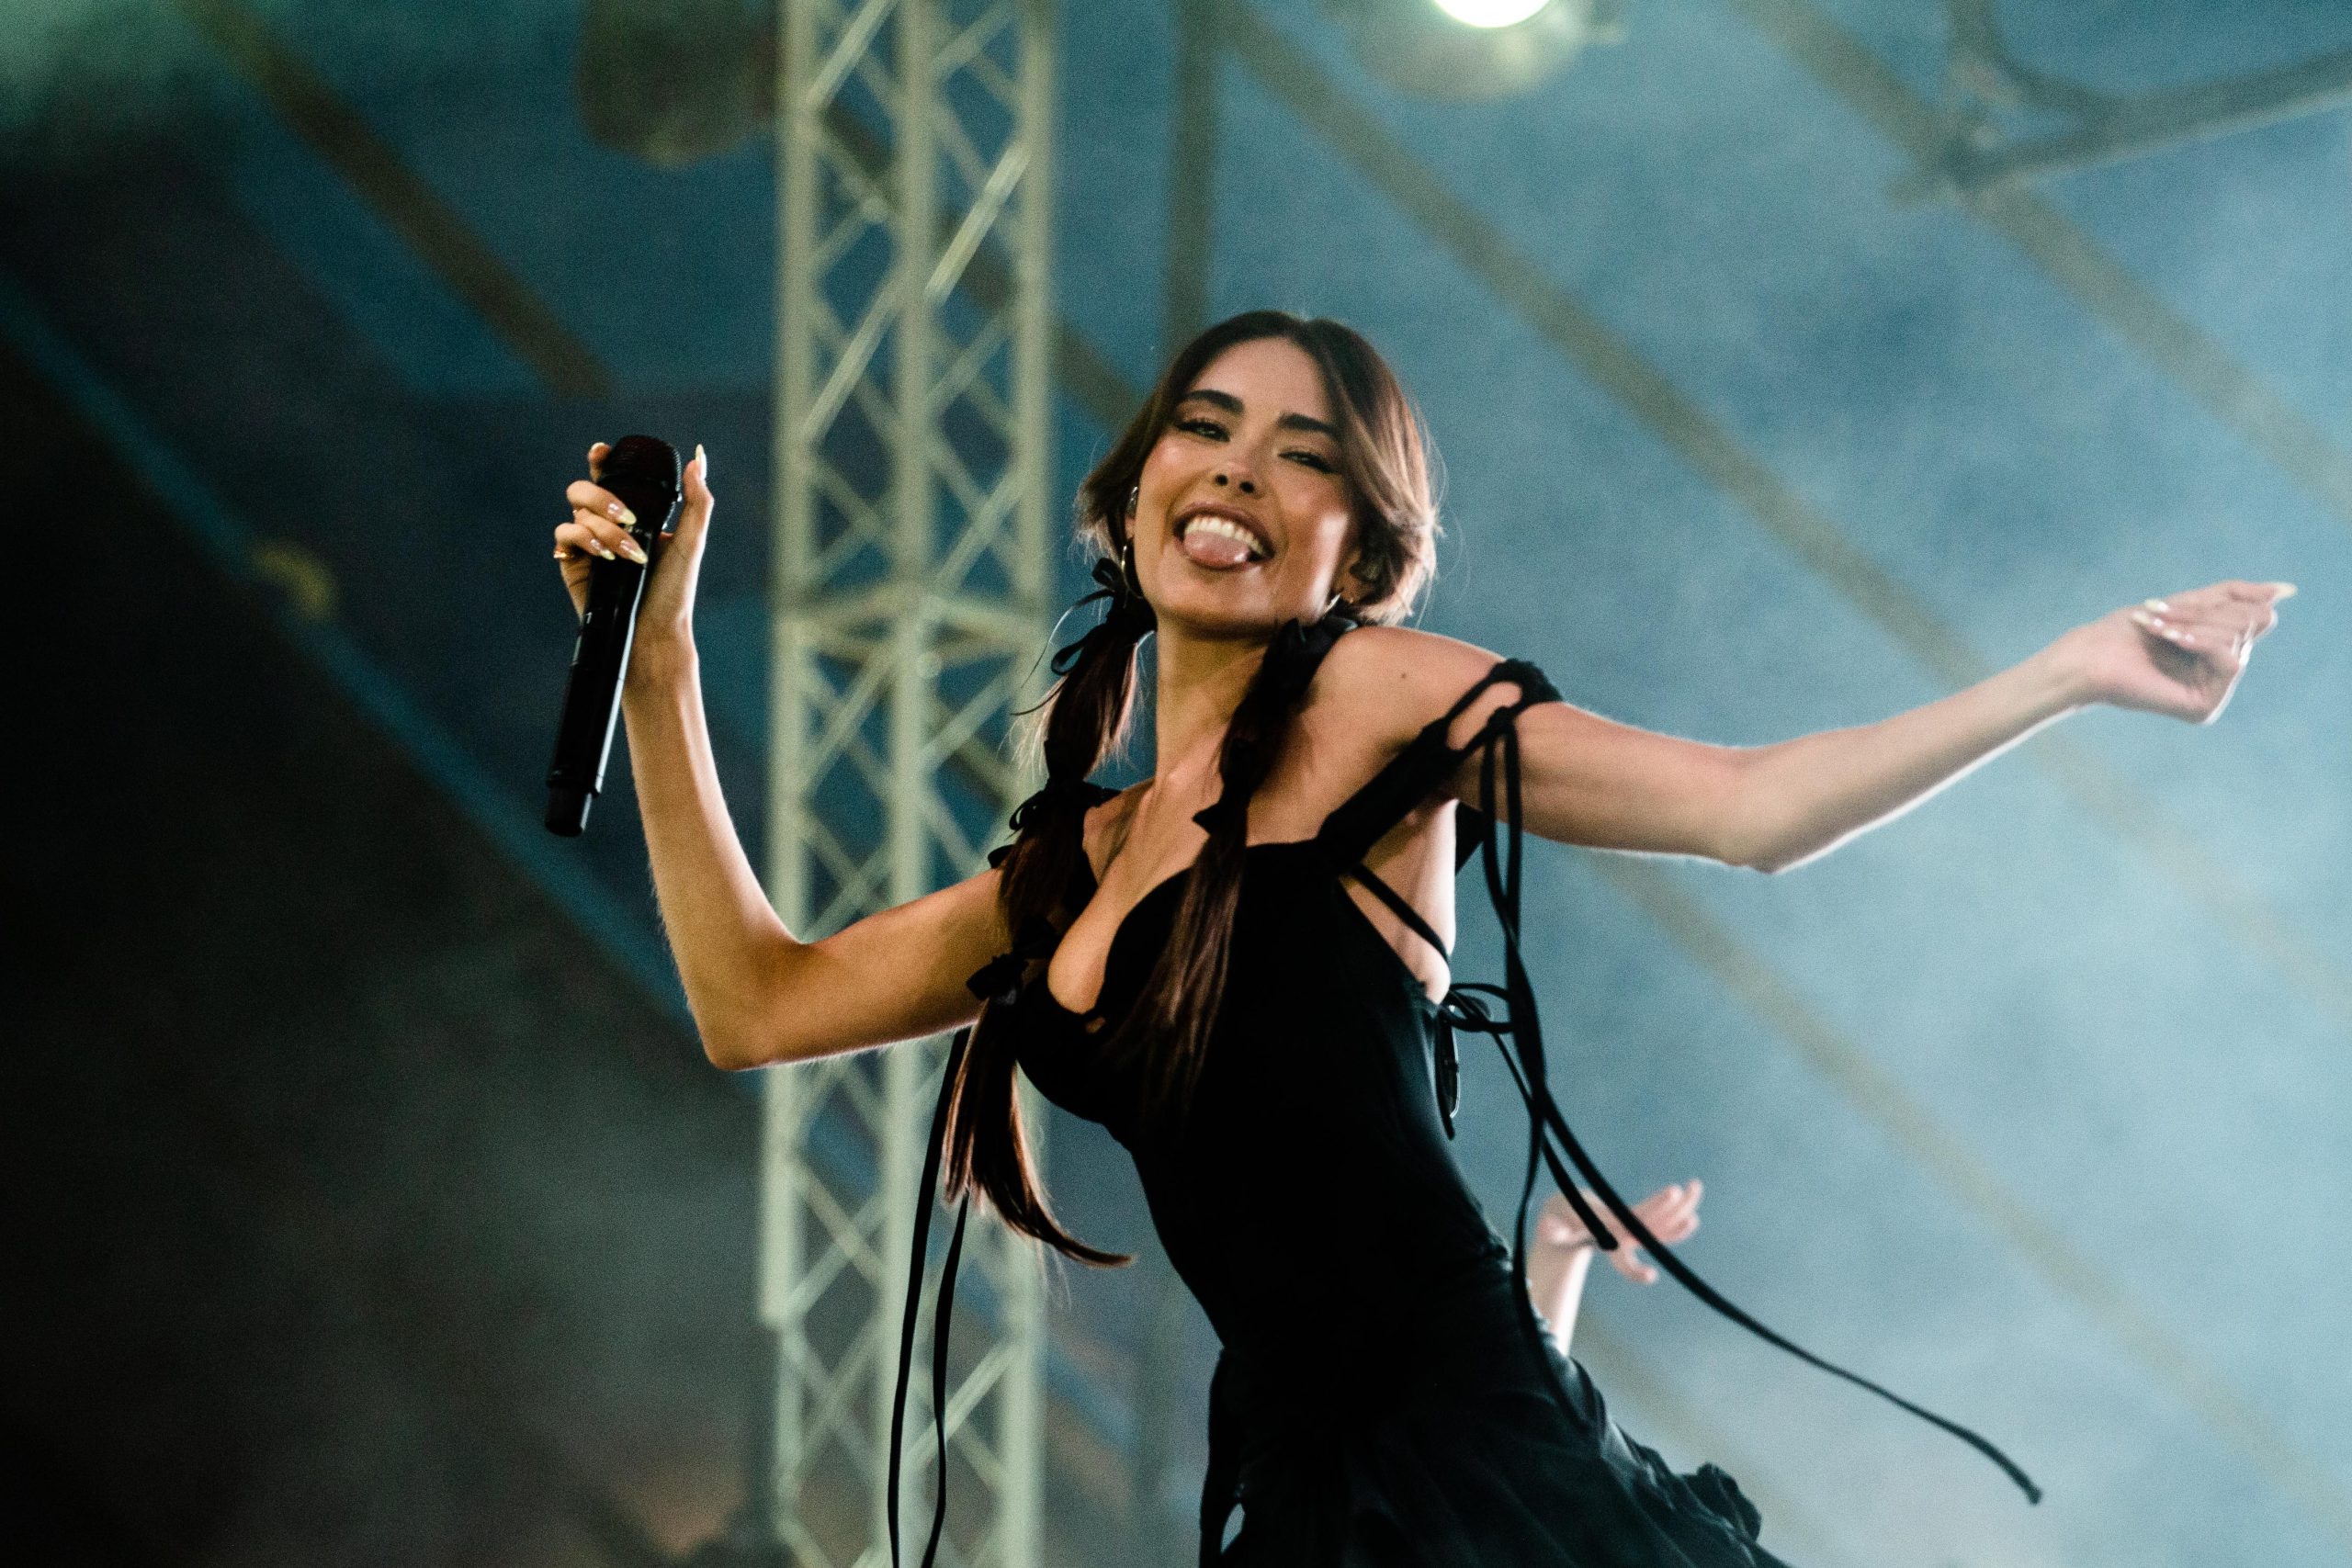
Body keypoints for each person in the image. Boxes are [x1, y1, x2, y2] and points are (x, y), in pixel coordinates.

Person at [553, 310, 2290, 1566]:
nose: (1239, 469)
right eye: (1205, 427)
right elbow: (755, 1003)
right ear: (1133, 491)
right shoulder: (1069, 862)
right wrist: (662, 666)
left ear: (1361, 547)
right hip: (1310, 1500)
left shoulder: (1376, 703)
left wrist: (2070, 673)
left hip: (1491, 1477)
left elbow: (1749, 807)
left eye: (1304, 454)